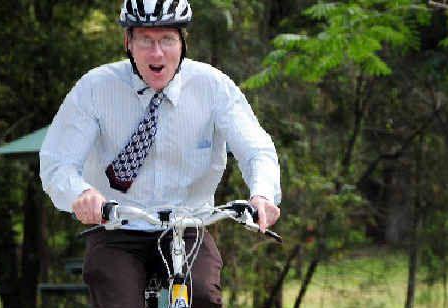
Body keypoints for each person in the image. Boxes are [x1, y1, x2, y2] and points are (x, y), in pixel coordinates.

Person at [39, 0, 281, 307]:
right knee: (117, 298)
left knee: (203, 296)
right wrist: (82, 193)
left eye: (167, 39)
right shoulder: (94, 88)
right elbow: (57, 162)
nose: (157, 53)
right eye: (146, 40)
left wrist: (262, 194)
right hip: (118, 225)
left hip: (188, 224)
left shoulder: (213, 87)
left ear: (182, 42)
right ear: (128, 42)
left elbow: (256, 148)